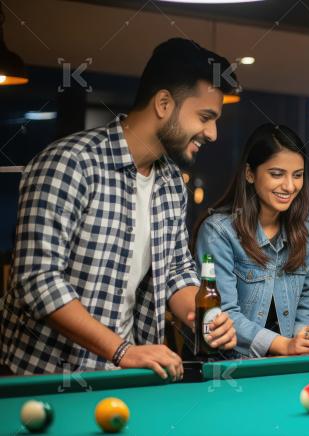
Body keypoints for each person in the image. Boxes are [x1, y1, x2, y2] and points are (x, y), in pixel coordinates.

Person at [0, 38, 238, 377]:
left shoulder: (171, 182)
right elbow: (38, 281)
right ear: (163, 104)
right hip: (46, 379)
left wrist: (202, 317)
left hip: (126, 377)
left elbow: (176, 272)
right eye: (205, 117)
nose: (213, 133)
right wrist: (122, 350)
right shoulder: (70, 163)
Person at [194, 124, 309, 358]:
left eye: (297, 175)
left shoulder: (307, 223)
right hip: (232, 365)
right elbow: (223, 314)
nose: (289, 186)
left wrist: (300, 343)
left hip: (289, 363)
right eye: (277, 174)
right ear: (250, 173)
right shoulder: (218, 231)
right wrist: (284, 345)